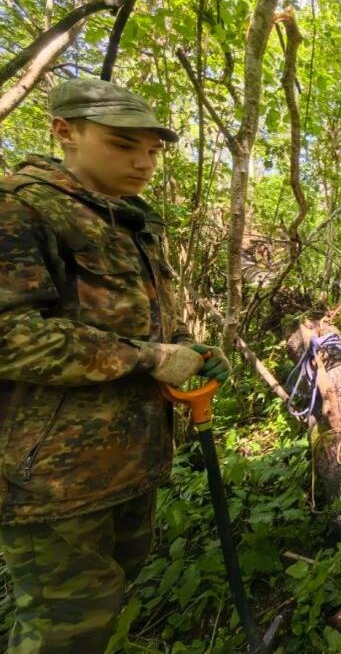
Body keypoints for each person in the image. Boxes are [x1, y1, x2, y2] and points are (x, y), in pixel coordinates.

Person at [0, 78, 231, 652]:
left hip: (129, 462)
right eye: (124, 144)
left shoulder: (131, 221)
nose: (143, 161)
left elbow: (139, 323)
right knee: (64, 629)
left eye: (152, 149)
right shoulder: (18, 207)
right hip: (50, 476)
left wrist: (188, 346)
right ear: (65, 131)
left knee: (110, 599)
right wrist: (151, 358)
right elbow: (9, 337)